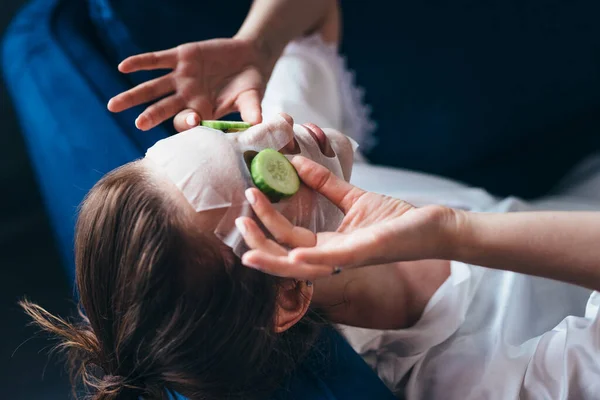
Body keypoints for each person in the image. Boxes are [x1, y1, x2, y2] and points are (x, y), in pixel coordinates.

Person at [233, 155, 600, 399]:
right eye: (251, 179)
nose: (273, 128)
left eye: (226, 133)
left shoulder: (322, 172)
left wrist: (261, 42)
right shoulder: (465, 382)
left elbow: (313, 38)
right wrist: (453, 233)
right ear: (287, 296)